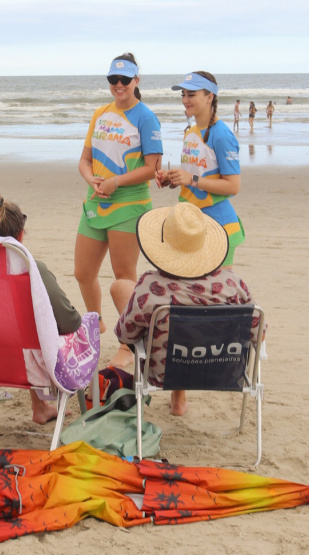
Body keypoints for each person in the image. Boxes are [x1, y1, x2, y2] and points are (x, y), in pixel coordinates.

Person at [112, 203, 258, 416]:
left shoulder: (150, 287)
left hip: (163, 372)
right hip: (223, 370)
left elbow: (126, 333)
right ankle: (179, 397)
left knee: (122, 288)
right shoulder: (233, 284)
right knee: (191, 331)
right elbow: (258, 334)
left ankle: (178, 391)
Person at [0, 188, 82, 423]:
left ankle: (40, 406)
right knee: (41, 332)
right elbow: (69, 321)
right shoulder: (32, 270)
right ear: (20, 236)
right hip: (23, 362)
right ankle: (55, 404)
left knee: (16, 329)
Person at [76, 52, 162, 340]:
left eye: (125, 79)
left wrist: (116, 182)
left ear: (136, 80)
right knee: (82, 272)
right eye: (114, 79)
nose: (119, 84)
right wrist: (92, 180)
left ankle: (130, 342)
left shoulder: (146, 117)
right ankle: (97, 324)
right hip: (95, 203)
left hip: (129, 204)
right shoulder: (100, 114)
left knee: (124, 276)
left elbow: (153, 168)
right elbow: (84, 161)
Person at [156, 71, 244, 268]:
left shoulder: (221, 136)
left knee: (219, 293)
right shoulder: (191, 132)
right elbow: (196, 175)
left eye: (191, 94)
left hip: (219, 225)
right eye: (183, 95)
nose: (185, 100)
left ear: (209, 97)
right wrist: (173, 178)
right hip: (191, 226)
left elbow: (233, 186)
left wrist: (191, 179)